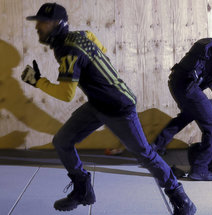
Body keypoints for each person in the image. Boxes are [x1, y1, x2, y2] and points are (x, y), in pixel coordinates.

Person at [22, 3, 196, 214]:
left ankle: (181, 199)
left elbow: (67, 95)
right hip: (98, 103)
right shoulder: (78, 37)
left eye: (43, 22)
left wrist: (38, 81)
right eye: (38, 22)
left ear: (58, 23)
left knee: (144, 154)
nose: (37, 26)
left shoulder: (68, 50)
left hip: (118, 106)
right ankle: (83, 190)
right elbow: (97, 44)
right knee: (62, 141)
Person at [151, 24, 212, 181]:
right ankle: (200, 169)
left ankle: (155, 147)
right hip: (188, 88)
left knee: (187, 115)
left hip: (177, 83)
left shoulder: (205, 43)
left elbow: (210, 82)